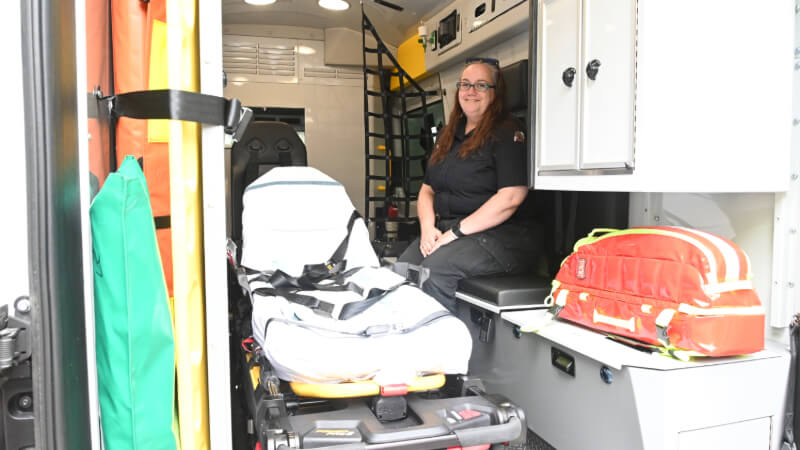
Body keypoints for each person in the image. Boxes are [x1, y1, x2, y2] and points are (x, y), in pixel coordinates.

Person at [398, 57, 539, 313]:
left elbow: (511, 197)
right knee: (402, 270)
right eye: (465, 85)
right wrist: (428, 229)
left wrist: (454, 234)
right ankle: (410, 342)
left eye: (481, 85)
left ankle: (441, 350)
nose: (471, 91)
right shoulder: (448, 135)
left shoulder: (508, 131)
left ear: (495, 93)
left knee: (433, 271)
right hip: (452, 230)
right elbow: (427, 190)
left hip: (503, 237)